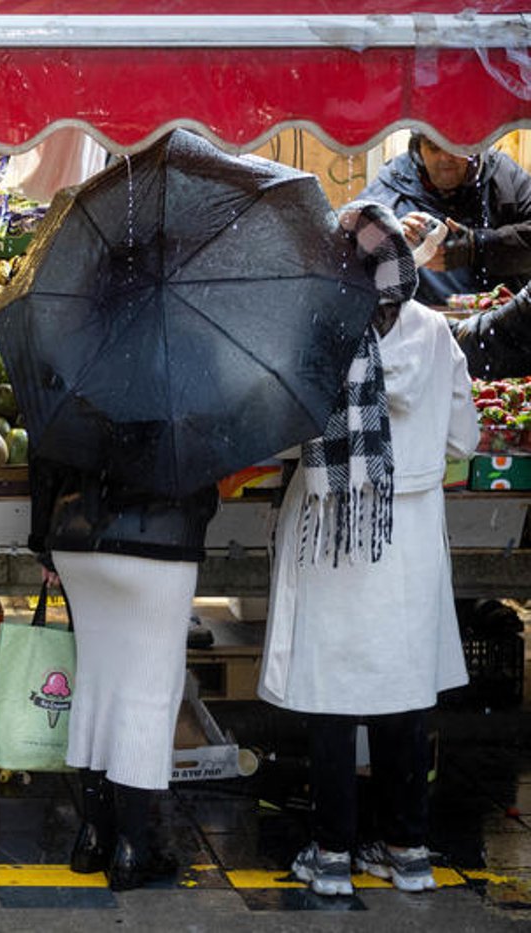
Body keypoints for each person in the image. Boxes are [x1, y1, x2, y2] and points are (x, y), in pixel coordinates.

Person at [258, 201, 478, 897]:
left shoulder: (318, 337)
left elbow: (280, 439)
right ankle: (408, 848)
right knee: (403, 692)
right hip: (407, 531)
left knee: (331, 694)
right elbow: (463, 441)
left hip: (330, 530)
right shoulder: (438, 334)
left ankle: (330, 855)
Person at [29, 459, 218, 890]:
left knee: (96, 685)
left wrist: (44, 540)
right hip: (161, 538)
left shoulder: (82, 388)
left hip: (75, 537)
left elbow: (44, 457)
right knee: (147, 693)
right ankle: (133, 848)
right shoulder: (188, 391)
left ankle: (93, 838)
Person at [358, 131, 531, 306]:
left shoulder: (503, 177)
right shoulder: (389, 191)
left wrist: (478, 246)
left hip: (500, 321)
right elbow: (345, 259)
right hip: (424, 327)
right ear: (418, 149)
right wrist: (391, 245)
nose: (445, 158)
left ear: (474, 145)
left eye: (454, 146)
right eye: (433, 147)